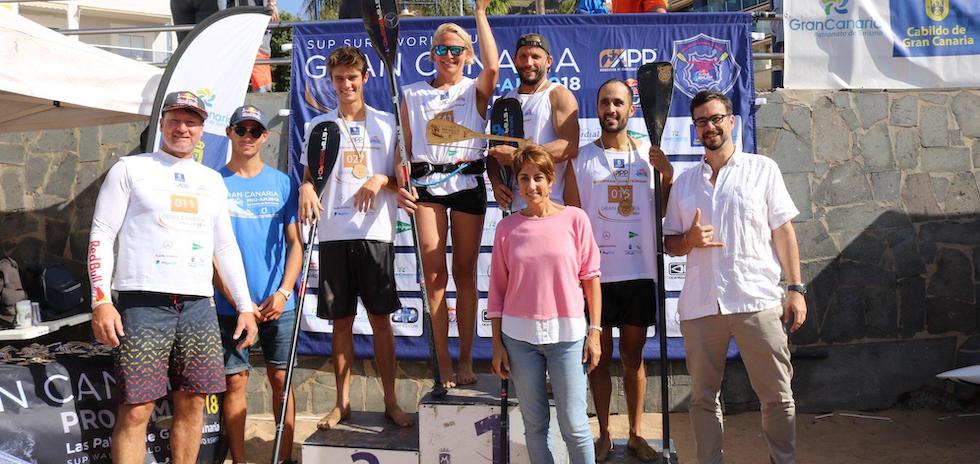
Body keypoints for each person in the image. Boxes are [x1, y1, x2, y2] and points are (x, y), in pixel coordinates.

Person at [88, 91, 257, 464]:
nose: (183, 128)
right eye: (175, 120)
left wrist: (245, 307)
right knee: (136, 409)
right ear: (161, 123)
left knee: (194, 402)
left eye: (192, 121)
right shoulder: (129, 169)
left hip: (198, 306)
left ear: (202, 130)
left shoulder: (211, 180)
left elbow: (225, 248)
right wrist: (101, 301)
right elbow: (101, 233)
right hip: (142, 304)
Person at [663, 90, 806, 464]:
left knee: (777, 395)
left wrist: (795, 288)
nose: (708, 126)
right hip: (701, 304)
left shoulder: (763, 170)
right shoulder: (684, 182)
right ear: (694, 128)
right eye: (700, 121)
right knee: (702, 398)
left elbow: (783, 231)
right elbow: (671, 244)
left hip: (755, 299)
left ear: (730, 120)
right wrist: (688, 240)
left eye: (714, 118)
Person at [299, 46, 413, 430]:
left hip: (375, 234)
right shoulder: (318, 126)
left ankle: (392, 402)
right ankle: (342, 403)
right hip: (333, 234)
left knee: (382, 321)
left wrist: (382, 179)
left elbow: (403, 181)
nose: (345, 84)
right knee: (341, 324)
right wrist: (305, 188)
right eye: (338, 79)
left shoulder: (386, 123)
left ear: (365, 78)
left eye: (352, 77)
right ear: (331, 82)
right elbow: (309, 176)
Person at [567, 79, 673, 462]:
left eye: (618, 103)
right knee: (599, 357)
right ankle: (605, 434)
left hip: (640, 272)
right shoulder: (579, 159)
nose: (610, 109)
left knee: (633, 357)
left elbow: (664, 212)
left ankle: (634, 434)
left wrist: (669, 176)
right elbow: (574, 222)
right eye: (604, 102)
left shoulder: (649, 154)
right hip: (596, 277)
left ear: (631, 109)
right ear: (597, 108)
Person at [398, 0, 499, 388]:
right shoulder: (411, 94)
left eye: (457, 50)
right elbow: (401, 148)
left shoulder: (475, 89)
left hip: (468, 185)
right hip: (427, 188)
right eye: (442, 49)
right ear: (431, 55)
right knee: (435, 274)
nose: (449, 56)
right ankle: (442, 362)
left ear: (466, 56)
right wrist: (401, 182)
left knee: (466, 275)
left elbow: (493, 68)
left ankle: (467, 360)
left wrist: (480, 15)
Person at [488, 145, 602, 464]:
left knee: (575, 427)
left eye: (538, 177)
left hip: (568, 339)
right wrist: (497, 344)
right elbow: (497, 291)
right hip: (519, 341)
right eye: (523, 178)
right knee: (535, 427)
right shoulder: (506, 229)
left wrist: (594, 332)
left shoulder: (575, 219)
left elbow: (591, 278)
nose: (531, 186)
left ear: (551, 180)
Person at [213, 105, 301, 464]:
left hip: (277, 303)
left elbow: (296, 243)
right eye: (241, 130)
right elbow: (210, 254)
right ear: (230, 133)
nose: (247, 137)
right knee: (235, 382)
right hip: (230, 305)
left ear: (265, 136)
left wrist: (283, 292)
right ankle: (239, 459)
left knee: (281, 379)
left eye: (255, 131)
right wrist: (237, 300)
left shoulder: (283, 183)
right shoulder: (213, 183)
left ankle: (283, 458)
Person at [487, 33, 580, 212]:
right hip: (515, 208)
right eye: (523, 56)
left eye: (536, 56)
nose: (529, 63)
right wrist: (497, 184)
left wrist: (518, 155)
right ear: (515, 60)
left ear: (549, 61)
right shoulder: (504, 101)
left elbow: (569, 146)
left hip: (552, 205)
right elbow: (494, 154)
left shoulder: (558, 94)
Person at [226, 0, 280, 92]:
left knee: (259, 54)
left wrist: (272, 4)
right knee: (235, 56)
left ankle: (263, 95)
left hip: (258, 15)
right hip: (235, 15)